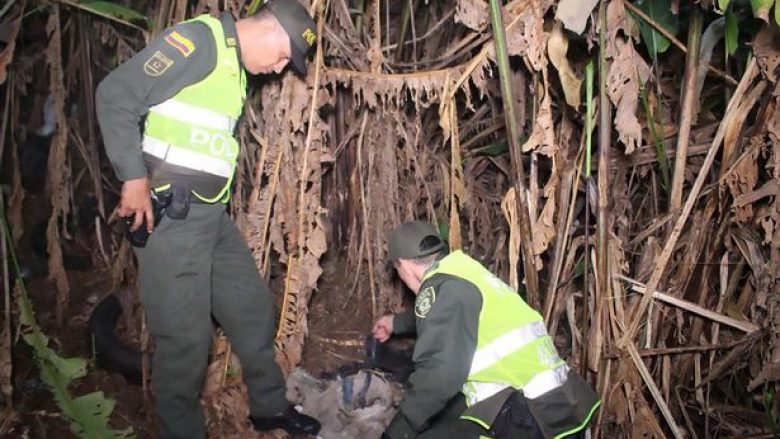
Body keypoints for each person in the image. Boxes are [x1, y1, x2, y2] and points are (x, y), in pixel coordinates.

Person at [95, 1, 321, 437]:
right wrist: (133, 179)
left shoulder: (234, 67)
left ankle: (269, 407)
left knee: (252, 307)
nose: (279, 69)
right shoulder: (200, 42)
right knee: (185, 343)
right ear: (269, 30)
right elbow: (116, 94)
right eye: (282, 56)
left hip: (208, 217)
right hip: (171, 218)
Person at [373, 221, 600, 439]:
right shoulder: (464, 273)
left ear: (403, 264)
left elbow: (438, 376)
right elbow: (446, 319)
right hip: (563, 405)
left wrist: (396, 431)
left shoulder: (442, 289)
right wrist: (395, 323)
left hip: (529, 417)